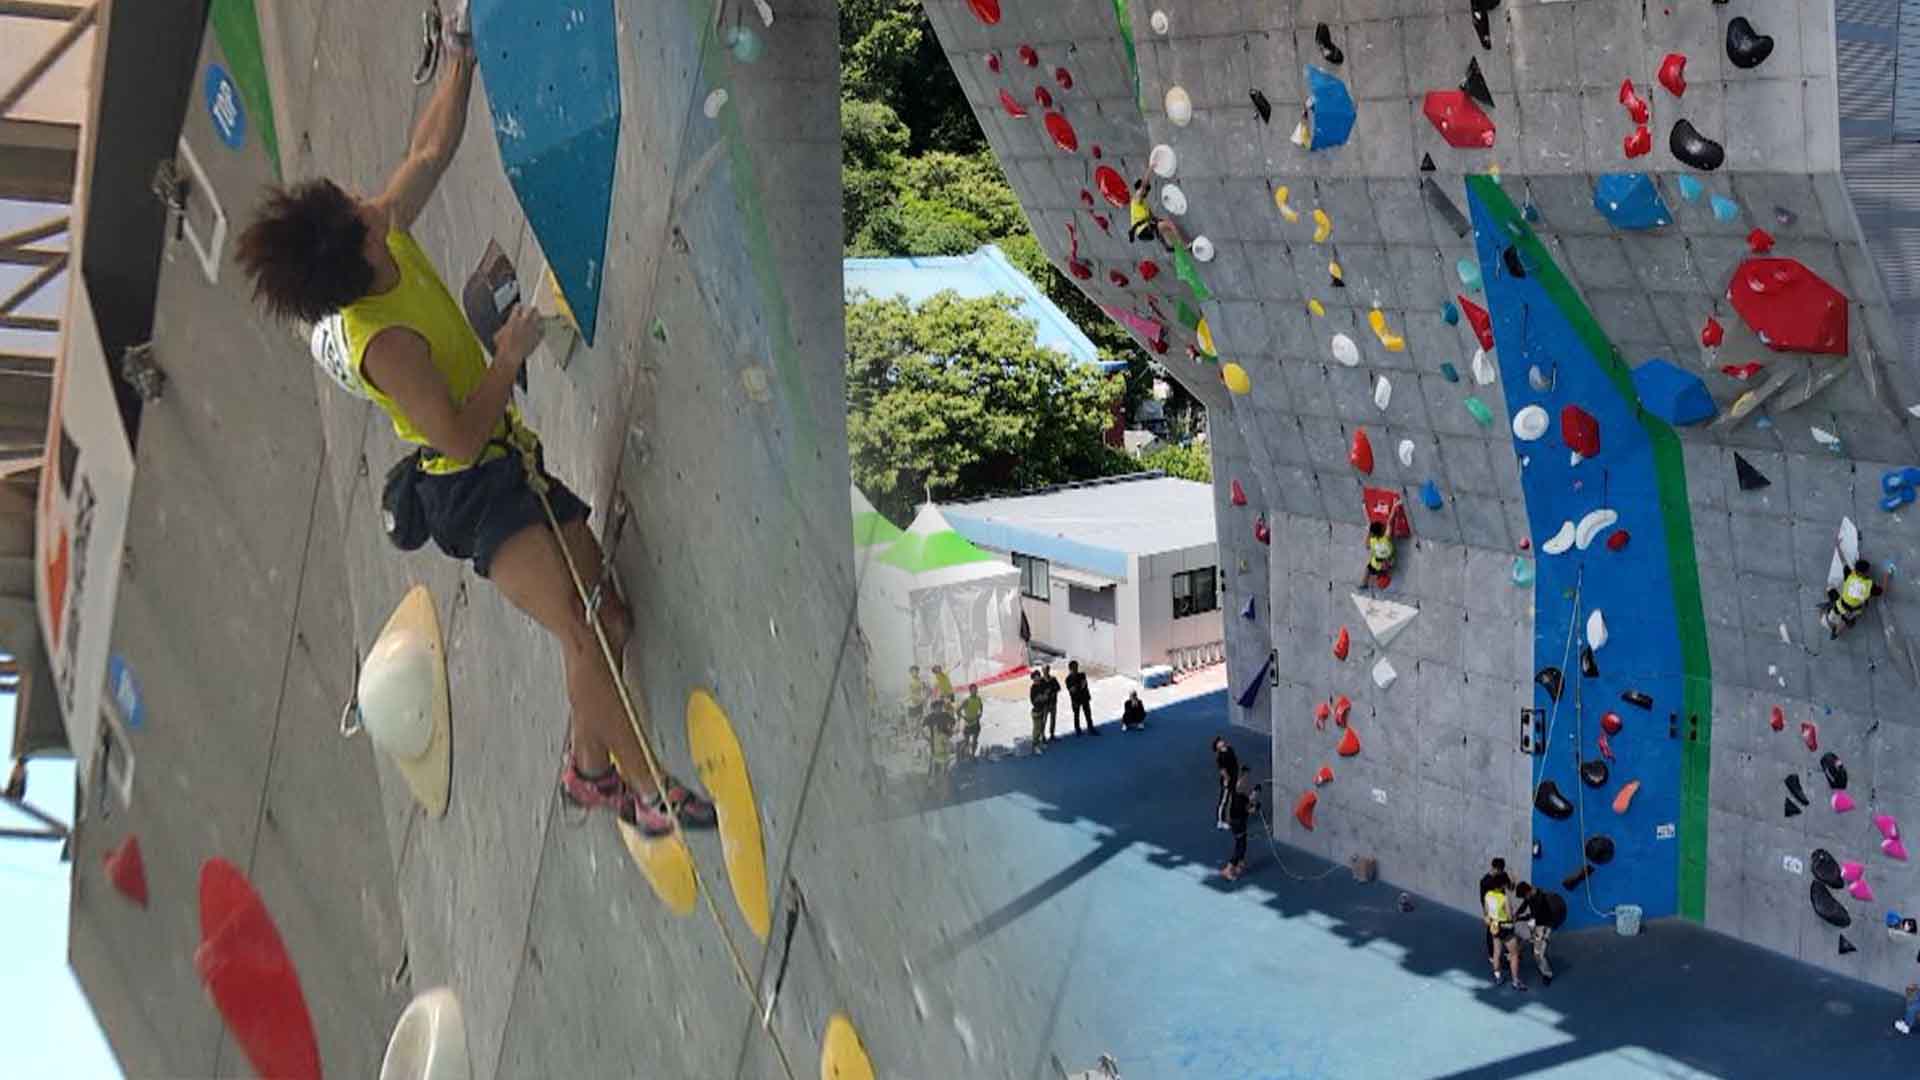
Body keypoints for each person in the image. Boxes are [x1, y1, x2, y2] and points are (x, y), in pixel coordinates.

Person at [233, 32, 715, 838]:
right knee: (586, 625)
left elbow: (428, 150)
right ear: (357, 249)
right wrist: (508, 355)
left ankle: (589, 773)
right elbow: (456, 436)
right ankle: (652, 793)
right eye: (356, 209)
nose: (367, 196)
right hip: (471, 488)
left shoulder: (382, 239)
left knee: (611, 622)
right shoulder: (385, 343)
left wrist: (463, 56)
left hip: (497, 460)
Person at [1512, 881, 1567, 986]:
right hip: (1537, 922)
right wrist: (1517, 914)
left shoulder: (1539, 900)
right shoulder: (1531, 894)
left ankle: (1547, 974)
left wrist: (1519, 918)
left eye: (1525, 896)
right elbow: (1524, 905)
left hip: (1544, 925)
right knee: (1529, 936)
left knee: (1538, 954)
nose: (1525, 899)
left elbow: (1533, 917)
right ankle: (1521, 951)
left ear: (1528, 892)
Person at [1482, 866, 1525, 989]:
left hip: (1494, 927)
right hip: (1505, 928)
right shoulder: (1504, 898)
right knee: (1514, 954)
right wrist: (1514, 917)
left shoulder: (1488, 895)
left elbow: (1486, 912)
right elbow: (1510, 916)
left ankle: (1497, 976)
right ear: (1502, 885)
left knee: (1496, 952)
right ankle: (1516, 982)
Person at [1824, 558, 1884, 638]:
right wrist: (1886, 576)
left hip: (1840, 604)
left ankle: (1835, 629)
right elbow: (1881, 591)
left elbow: (1844, 562)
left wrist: (1838, 548)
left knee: (1830, 592)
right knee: (1846, 619)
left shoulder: (1850, 575)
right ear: (1866, 572)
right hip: (1853, 610)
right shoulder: (1869, 585)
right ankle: (1843, 625)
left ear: (1855, 570)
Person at [1222, 767, 1260, 880]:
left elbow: (1249, 800)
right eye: (1243, 778)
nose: (1245, 781)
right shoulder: (1238, 796)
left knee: (1243, 842)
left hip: (1238, 821)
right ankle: (1228, 869)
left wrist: (1255, 792)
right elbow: (1249, 809)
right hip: (1238, 822)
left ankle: (1240, 863)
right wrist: (1256, 808)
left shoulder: (1239, 794)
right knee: (1240, 846)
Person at [1212, 736, 1239, 829]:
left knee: (1233, 799)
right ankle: (1220, 821)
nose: (1221, 741)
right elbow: (1222, 770)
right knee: (1224, 801)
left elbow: (1235, 762)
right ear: (1217, 747)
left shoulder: (1230, 749)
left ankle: (1232, 817)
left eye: (1220, 740)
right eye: (1218, 742)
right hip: (1227, 781)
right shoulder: (1220, 757)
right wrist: (1226, 780)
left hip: (1234, 778)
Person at [1065, 660, 1096, 736]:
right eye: (1074, 668)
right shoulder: (1068, 679)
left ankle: (1091, 728)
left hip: (1084, 698)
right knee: (1076, 715)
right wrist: (1079, 686)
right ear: (1070, 669)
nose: (1076, 669)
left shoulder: (1082, 675)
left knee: (1088, 714)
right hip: (1075, 700)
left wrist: (1078, 687)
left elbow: (1084, 685)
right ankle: (1078, 730)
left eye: (1076, 667)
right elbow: (1073, 690)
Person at [1363, 519, 1395, 587]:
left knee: (1369, 569)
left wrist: (1369, 532)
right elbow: (1389, 523)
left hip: (1377, 563)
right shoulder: (1386, 539)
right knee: (1371, 568)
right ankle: (1367, 581)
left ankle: (1364, 583)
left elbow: (1367, 545)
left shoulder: (1372, 541)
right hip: (1386, 561)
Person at [959, 684, 984, 761]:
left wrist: (979, 715)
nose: (975, 691)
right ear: (970, 691)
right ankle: (961, 753)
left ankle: (972, 756)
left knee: (974, 742)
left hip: (976, 723)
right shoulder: (966, 700)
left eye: (976, 689)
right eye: (973, 690)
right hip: (967, 724)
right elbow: (958, 711)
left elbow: (981, 709)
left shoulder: (979, 699)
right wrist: (964, 718)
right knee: (966, 742)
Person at [1028, 670, 1048, 754]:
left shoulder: (1042, 684)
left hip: (1043, 709)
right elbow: (1033, 700)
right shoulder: (1033, 688)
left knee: (1042, 728)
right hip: (1036, 711)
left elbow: (1046, 693)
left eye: (1038, 677)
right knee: (1037, 729)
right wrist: (1040, 698)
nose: (1037, 679)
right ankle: (1035, 745)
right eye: (1035, 678)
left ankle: (1040, 743)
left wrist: (1044, 696)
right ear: (1033, 679)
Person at [1044, 665, 1063, 741]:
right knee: (1044, 721)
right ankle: (1042, 736)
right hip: (1045, 704)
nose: (1046, 671)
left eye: (1047, 669)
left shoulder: (1053, 679)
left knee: (1053, 720)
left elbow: (1059, 688)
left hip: (1053, 703)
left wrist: (1052, 691)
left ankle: (1052, 734)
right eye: (1045, 670)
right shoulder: (1041, 681)